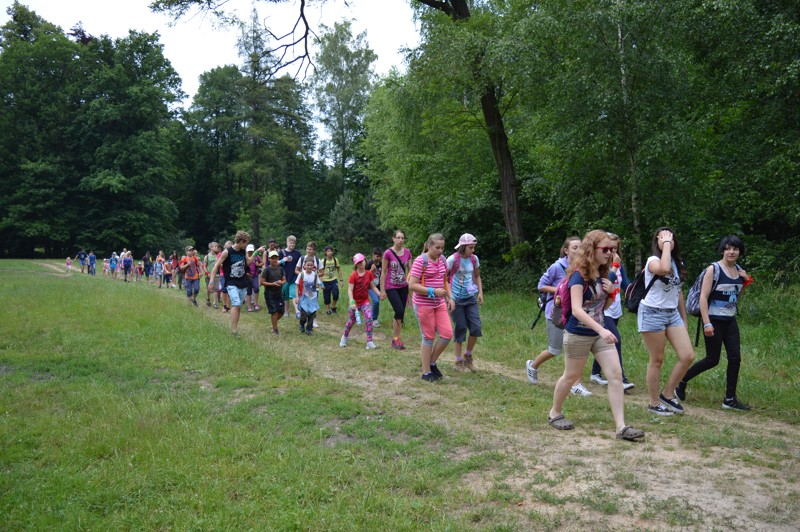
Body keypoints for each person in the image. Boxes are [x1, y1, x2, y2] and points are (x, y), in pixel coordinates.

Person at [546, 230, 644, 441]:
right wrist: (601, 329)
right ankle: (554, 412)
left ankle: (621, 427)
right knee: (571, 376)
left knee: (615, 375)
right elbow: (577, 309)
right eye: (605, 249)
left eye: (612, 250)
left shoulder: (604, 274)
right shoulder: (578, 276)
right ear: (592, 250)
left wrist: (610, 292)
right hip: (578, 333)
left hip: (599, 332)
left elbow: (603, 306)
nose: (610, 253)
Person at [676, 235, 752, 411]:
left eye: (735, 249)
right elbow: (703, 297)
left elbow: (736, 297)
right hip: (713, 320)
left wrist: (745, 281)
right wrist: (707, 323)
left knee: (735, 358)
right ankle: (682, 381)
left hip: (730, 320)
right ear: (722, 251)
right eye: (728, 248)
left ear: (739, 252)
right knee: (712, 359)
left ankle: (730, 399)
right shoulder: (714, 269)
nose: (731, 252)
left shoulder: (739, 271)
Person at [526, 237, 594, 396]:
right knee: (554, 350)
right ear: (566, 250)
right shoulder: (557, 267)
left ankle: (575, 384)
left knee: (575, 350)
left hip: (574, 313)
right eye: (575, 247)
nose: (578, 250)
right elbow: (541, 285)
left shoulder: (584, 268)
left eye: (580, 247)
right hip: (556, 313)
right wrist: (562, 289)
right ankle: (533, 365)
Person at [639, 227, 694, 416]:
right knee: (657, 359)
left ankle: (668, 394)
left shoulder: (678, 263)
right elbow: (663, 269)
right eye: (662, 238)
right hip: (652, 312)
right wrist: (667, 246)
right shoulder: (653, 261)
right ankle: (654, 403)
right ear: (658, 242)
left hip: (672, 313)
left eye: (670, 237)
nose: (667, 240)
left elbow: (678, 292)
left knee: (687, 355)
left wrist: (683, 318)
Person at [590, 233, 635, 390]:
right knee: (615, 339)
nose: (612, 252)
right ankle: (620, 378)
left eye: (615, 248)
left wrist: (638, 290)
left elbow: (626, 284)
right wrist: (614, 266)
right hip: (603, 309)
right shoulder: (601, 266)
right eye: (609, 248)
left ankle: (595, 373)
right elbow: (605, 284)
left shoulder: (618, 265)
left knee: (604, 341)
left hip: (614, 308)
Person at [408, 233, 454, 382]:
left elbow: (445, 281)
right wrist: (433, 291)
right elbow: (412, 285)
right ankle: (426, 372)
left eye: (442, 248)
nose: (440, 251)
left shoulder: (443, 260)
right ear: (429, 246)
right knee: (428, 337)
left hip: (439, 303)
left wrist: (450, 297)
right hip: (423, 305)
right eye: (437, 248)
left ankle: (432, 362)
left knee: (447, 334)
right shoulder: (420, 261)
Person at [209, 231, 265, 336]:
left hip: (242, 282)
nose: (246, 245)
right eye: (246, 243)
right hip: (231, 282)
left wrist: (256, 252)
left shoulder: (242, 252)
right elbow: (216, 266)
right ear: (241, 241)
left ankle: (234, 328)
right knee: (236, 303)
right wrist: (211, 281)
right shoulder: (227, 252)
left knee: (238, 307)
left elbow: (248, 262)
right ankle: (234, 331)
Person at [447, 233, 484, 372]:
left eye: (474, 247)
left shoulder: (474, 259)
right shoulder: (452, 260)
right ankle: (458, 361)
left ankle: (468, 356)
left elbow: (477, 276)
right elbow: (444, 278)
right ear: (462, 247)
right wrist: (449, 298)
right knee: (461, 328)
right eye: (470, 247)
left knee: (476, 328)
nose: (473, 250)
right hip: (456, 299)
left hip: (470, 298)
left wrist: (480, 292)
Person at [380, 230, 413, 351]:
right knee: (398, 310)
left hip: (403, 286)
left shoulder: (407, 252)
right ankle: (395, 339)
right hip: (391, 287)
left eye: (402, 238)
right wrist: (382, 290)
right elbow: (383, 272)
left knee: (401, 313)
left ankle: (396, 339)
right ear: (393, 238)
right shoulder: (388, 253)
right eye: (398, 237)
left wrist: (411, 285)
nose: (400, 240)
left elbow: (411, 270)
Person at [340, 253, 380, 349]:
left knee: (369, 318)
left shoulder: (369, 274)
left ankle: (369, 342)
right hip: (354, 303)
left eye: (362, 261)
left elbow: (373, 287)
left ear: (365, 261)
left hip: (365, 301)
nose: (361, 263)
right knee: (351, 321)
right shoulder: (353, 275)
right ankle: (344, 337)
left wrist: (380, 294)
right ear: (356, 265)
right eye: (358, 262)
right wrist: (352, 301)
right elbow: (350, 290)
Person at [260, 250, 286, 334]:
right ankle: (275, 330)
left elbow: (284, 280)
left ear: (278, 258)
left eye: (276, 258)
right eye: (272, 258)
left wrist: (281, 282)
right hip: (269, 293)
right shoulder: (266, 270)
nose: (274, 260)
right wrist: (272, 284)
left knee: (281, 312)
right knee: (274, 312)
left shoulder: (280, 268)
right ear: (269, 259)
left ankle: (273, 323)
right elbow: (262, 282)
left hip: (279, 293)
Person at [294, 258, 322, 335]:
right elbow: (297, 286)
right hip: (304, 297)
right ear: (304, 266)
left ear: (313, 266)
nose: (309, 267)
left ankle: (309, 328)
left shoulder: (315, 275)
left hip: (312, 297)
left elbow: (318, 284)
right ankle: (302, 324)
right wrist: (297, 297)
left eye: (311, 265)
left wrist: (313, 285)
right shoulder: (301, 274)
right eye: (308, 265)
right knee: (304, 313)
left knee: (312, 314)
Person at [279, 236, 302, 318]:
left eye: (293, 243)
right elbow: (276, 263)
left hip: (294, 277)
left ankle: (297, 311)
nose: (292, 244)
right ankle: (286, 311)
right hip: (285, 277)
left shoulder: (297, 253)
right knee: (286, 296)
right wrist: (283, 260)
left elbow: (300, 265)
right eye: (290, 243)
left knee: (294, 294)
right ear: (287, 243)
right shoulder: (281, 252)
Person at [321, 245, 344, 315]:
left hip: (334, 280)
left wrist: (341, 280)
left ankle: (333, 307)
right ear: (325, 252)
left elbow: (339, 270)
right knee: (326, 296)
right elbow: (320, 272)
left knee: (336, 294)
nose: (330, 252)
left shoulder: (335, 260)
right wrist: (321, 283)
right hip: (325, 281)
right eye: (328, 251)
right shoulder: (323, 261)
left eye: (331, 251)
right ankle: (328, 310)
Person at [367, 248, 382, 327]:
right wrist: (371, 270)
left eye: (380, 256)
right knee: (376, 301)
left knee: (376, 302)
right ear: (373, 255)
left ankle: (371, 314)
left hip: (377, 286)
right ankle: (374, 319)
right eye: (377, 256)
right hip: (369, 287)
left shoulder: (381, 264)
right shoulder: (369, 263)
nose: (378, 258)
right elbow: (364, 275)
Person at [244, 244, 263, 312]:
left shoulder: (256, 257)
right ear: (246, 251)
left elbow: (262, 263)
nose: (250, 252)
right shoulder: (245, 257)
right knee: (248, 291)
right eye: (249, 251)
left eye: (251, 251)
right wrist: (246, 273)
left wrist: (258, 264)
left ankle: (255, 304)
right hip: (247, 276)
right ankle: (249, 306)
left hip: (255, 275)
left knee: (256, 288)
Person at [204, 242, 221, 308]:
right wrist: (207, 273)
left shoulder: (218, 256)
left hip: (216, 275)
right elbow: (204, 266)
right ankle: (208, 298)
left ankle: (215, 303)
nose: (217, 248)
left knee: (216, 289)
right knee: (209, 288)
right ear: (211, 248)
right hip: (209, 275)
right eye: (215, 246)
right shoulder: (207, 257)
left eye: (217, 246)